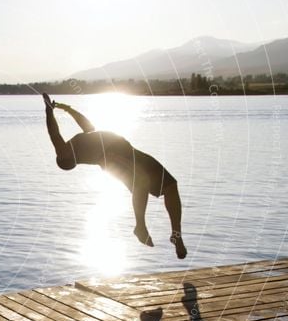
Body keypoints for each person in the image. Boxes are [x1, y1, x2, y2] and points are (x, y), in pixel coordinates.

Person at [42, 93, 187, 259]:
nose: (61, 147)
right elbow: (54, 133)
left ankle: (177, 234)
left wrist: (66, 109)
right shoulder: (65, 154)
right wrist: (48, 111)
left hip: (130, 152)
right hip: (114, 158)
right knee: (141, 183)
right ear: (67, 160)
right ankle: (140, 226)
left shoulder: (80, 141)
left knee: (170, 186)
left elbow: (87, 125)